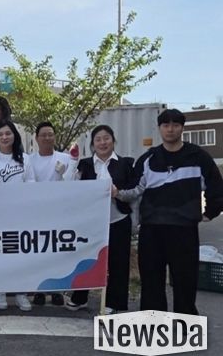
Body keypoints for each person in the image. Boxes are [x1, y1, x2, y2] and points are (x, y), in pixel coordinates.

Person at [117, 109, 223, 314]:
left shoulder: (197, 156)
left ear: (182, 128)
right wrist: (116, 192)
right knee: (151, 282)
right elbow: (134, 189)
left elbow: (216, 186)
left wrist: (210, 212)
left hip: (184, 229)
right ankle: (154, 322)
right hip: (151, 229)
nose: (170, 129)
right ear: (160, 128)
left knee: (185, 282)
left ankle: (185, 322)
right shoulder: (148, 158)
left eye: (175, 125)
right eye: (166, 125)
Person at [64, 125, 133, 314]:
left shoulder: (125, 164)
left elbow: (134, 191)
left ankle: (114, 301)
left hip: (118, 220)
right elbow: (69, 185)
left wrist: (118, 193)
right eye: (98, 139)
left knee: (118, 263)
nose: (103, 143)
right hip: (91, 222)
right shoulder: (84, 164)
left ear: (113, 141)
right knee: (86, 260)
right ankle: (80, 298)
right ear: (93, 144)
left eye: (106, 138)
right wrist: (72, 161)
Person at [0, 120, 34, 312]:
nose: (4, 137)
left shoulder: (25, 158)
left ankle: (21, 293)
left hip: (21, 215)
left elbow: (31, 182)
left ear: (14, 136)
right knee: (0, 254)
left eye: (8, 133)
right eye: (0, 134)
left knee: (21, 255)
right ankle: (0, 290)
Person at [29, 121, 78, 307]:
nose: (47, 138)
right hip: (36, 213)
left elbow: (74, 183)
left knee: (57, 251)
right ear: (36, 138)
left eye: (50, 134)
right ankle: (39, 290)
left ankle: (57, 290)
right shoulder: (29, 160)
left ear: (54, 137)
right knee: (38, 252)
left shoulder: (65, 158)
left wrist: (67, 171)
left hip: (59, 213)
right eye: (43, 135)